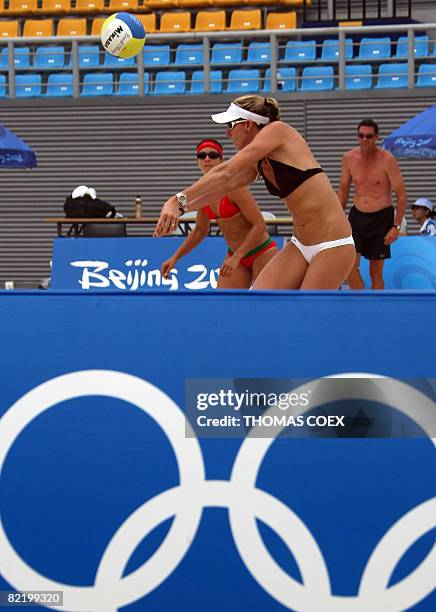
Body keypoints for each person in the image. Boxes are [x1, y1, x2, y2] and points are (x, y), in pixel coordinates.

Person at [155, 95, 355, 290]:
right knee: (261, 305)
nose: (228, 133)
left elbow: (226, 171)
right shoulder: (258, 161)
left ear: (248, 124)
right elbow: (224, 187)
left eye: (230, 126)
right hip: (300, 244)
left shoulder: (277, 130)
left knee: (303, 315)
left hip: (333, 243)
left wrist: (176, 198)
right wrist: (181, 208)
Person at [160, 138, 278, 288]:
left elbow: (259, 225)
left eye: (213, 155)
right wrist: (174, 258)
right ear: (197, 161)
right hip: (235, 256)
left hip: (261, 251)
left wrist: (237, 256)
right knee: (225, 306)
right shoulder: (203, 193)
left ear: (221, 160)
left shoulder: (235, 187)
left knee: (268, 305)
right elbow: (200, 231)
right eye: (202, 155)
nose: (207, 159)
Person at [338, 119, 407, 290]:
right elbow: (344, 191)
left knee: (375, 272)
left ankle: (377, 310)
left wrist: (396, 226)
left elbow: (402, 195)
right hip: (357, 215)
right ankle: (361, 305)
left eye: (369, 136)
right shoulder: (349, 158)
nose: (364, 140)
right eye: (361, 136)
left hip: (381, 217)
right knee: (349, 267)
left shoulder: (387, 159)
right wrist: (337, 220)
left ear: (376, 137)